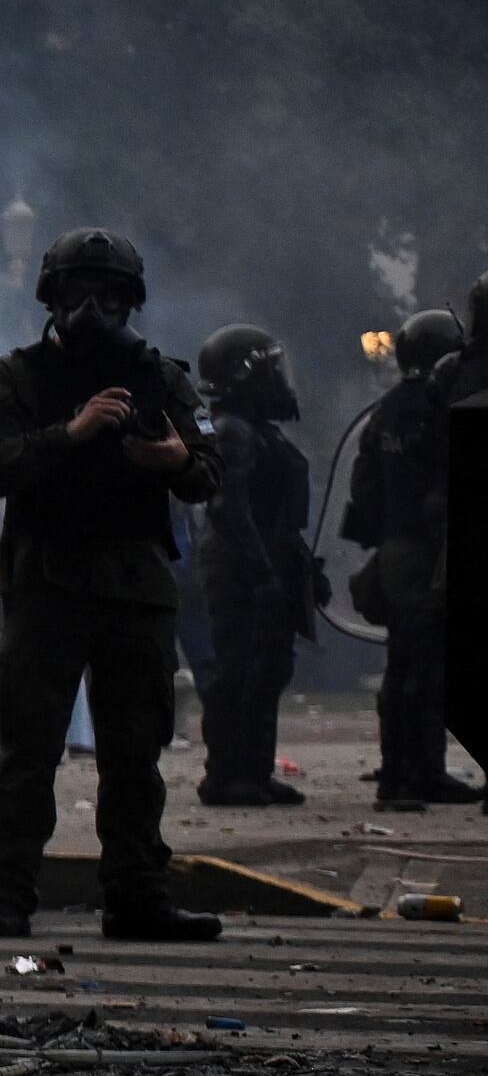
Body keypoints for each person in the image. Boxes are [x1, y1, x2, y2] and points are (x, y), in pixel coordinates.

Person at [0, 229, 220, 942]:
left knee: (135, 757)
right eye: (78, 294)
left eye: (108, 296)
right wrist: (69, 434)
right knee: (28, 750)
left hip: (134, 587)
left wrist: (170, 458)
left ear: (130, 302)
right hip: (48, 583)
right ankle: (6, 895)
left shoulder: (161, 377)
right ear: (53, 297)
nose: (93, 310)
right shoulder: (18, 377)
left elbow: (208, 467)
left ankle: (137, 896)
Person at [342, 303, 477, 806]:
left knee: (413, 662)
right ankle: (405, 776)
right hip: (425, 550)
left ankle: (419, 771)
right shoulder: (437, 406)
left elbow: (363, 484)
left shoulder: (387, 408)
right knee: (419, 668)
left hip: (395, 548)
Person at [189, 324, 319, 806]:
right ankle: (225, 775)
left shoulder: (257, 430)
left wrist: (297, 565)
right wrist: (262, 573)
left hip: (262, 561)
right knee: (238, 671)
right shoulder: (231, 431)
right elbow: (229, 509)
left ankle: (256, 770)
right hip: (237, 567)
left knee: (268, 669)